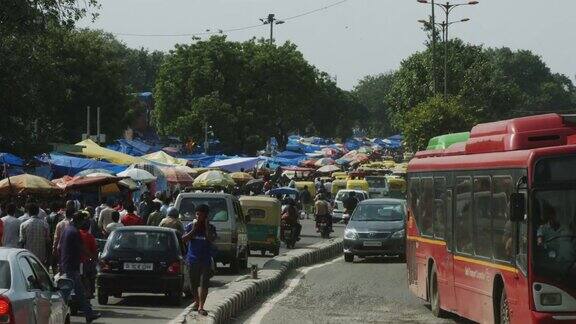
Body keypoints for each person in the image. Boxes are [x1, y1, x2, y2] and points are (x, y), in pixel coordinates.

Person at [59, 212, 100, 323]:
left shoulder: (67, 230)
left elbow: (59, 246)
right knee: (74, 292)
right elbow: (82, 248)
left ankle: (88, 314)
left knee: (72, 292)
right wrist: (94, 258)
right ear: (80, 221)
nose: (85, 223)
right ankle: (88, 314)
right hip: (72, 265)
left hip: (66, 264)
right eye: (83, 220)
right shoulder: (74, 232)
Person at [183, 204, 216, 317]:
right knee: (193, 283)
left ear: (206, 216)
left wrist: (206, 227)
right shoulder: (190, 226)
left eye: (201, 215)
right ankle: (196, 301)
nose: (198, 216)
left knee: (204, 283)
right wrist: (194, 229)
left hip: (205, 260)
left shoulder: (211, 227)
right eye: (197, 214)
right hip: (192, 259)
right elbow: (184, 239)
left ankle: (201, 306)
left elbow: (211, 239)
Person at [79, 216, 98, 299]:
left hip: (78, 261)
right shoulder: (90, 236)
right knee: (90, 276)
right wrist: (95, 259)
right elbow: (94, 250)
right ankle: (89, 292)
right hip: (87, 261)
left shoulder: (77, 234)